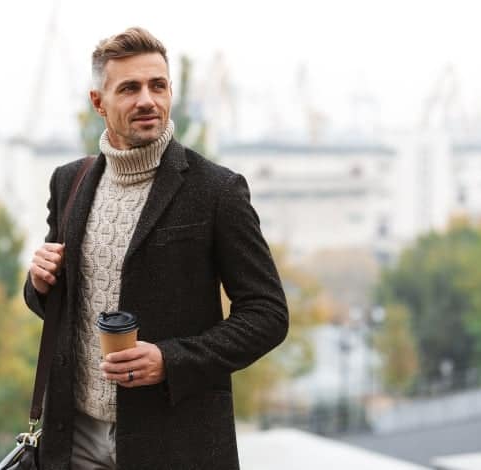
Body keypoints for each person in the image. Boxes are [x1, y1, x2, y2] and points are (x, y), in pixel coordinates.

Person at [24, 26, 288, 470]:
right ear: (98, 103)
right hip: (73, 439)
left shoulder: (218, 190)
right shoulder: (68, 182)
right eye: (129, 88)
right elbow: (62, 308)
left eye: (158, 85)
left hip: (175, 442)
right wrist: (38, 283)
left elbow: (268, 315)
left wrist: (170, 360)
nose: (147, 99)